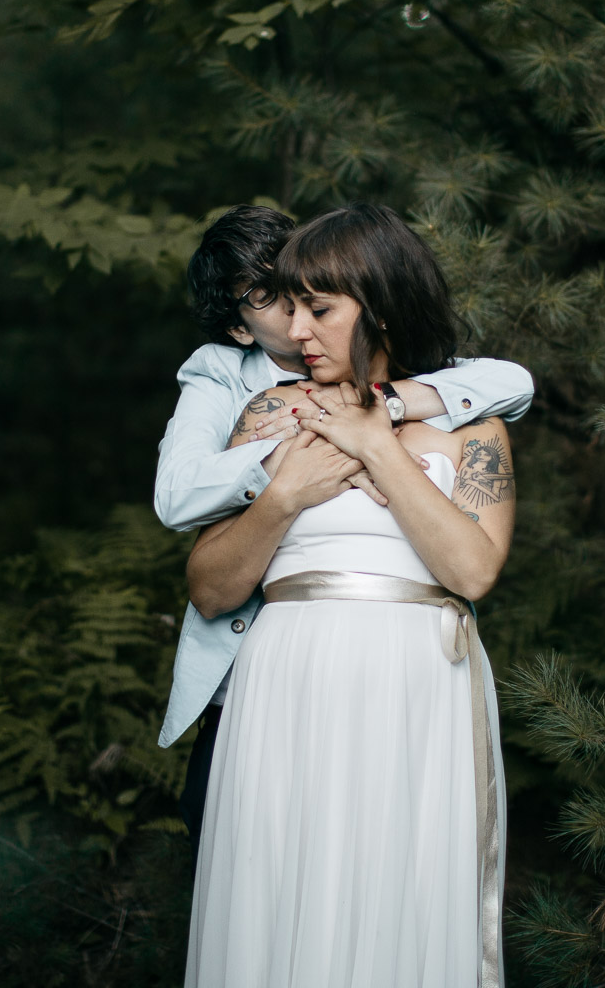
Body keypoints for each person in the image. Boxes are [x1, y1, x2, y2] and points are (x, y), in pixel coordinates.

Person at [182, 202, 517, 988]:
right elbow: (208, 589)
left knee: (400, 895)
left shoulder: (474, 430)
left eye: (319, 309)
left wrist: (376, 443)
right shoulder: (269, 414)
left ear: (384, 302)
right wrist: (283, 497)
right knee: (278, 891)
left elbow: (471, 573)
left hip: (417, 687)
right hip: (284, 682)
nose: (297, 331)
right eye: (291, 307)